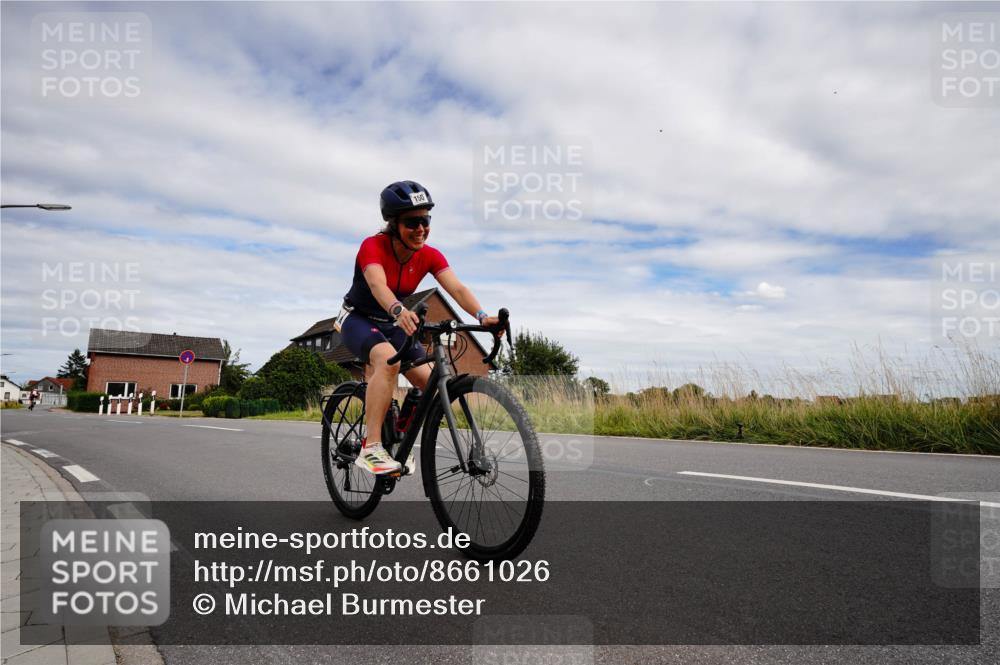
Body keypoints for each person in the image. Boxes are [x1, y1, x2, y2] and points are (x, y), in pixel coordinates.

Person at [341, 180, 501, 475]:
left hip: (393, 323)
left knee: (431, 386)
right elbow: (377, 284)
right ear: (393, 223)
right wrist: (398, 309)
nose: (421, 229)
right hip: (358, 319)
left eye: (425, 221)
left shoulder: (429, 255)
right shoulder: (373, 246)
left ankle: (398, 435)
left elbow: (457, 288)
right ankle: (371, 447)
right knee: (388, 361)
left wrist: (482, 315)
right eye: (412, 222)